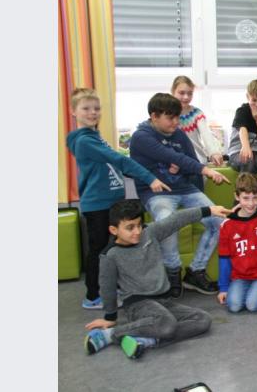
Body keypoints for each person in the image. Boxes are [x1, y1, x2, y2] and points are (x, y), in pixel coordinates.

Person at [83, 199, 231, 359]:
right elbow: (107, 286)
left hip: (163, 302)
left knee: (203, 319)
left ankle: (148, 340)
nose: (137, 231)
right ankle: (109, 335)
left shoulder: (150, 233)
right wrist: (110, 318)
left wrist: (209, 210)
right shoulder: (110, 255)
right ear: (114, 229)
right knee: (166, 324)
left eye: (139, 225)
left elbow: (176, 220)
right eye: (130, 228)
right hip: (138, 305)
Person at [66, 88, 171, 310]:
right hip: (97, 204)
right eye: (86, 108)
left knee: (112, 248)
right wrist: (150, 178)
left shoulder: (94, 137)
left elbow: (115, 163)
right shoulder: (85, 141)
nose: (92, 112)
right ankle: (93, 295)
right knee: (100, 251)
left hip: (112, 201)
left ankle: (110, 286)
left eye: (96, 108)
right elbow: (119, 161)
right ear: (73, 111)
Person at [129, 93, 231, 298]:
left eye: (177, 117)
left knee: (220, 221)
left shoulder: (178, 134)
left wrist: (182, 169)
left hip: (186, 189)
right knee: (167, 221)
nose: (176, 122)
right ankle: (173, 271)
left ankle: (195, 271)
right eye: (170, 118)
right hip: (157, 194)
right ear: (154, 116)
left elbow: (189, 161)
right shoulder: (141, 136)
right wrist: (207, 171)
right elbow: (170, 156)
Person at [216, 173, 257, 313]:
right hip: (240, 276)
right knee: (234, 306)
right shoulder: (226, 225)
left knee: (252, 305)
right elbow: (224, 259)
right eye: (245, 198)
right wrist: (224, 288)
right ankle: (249, 292)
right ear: (237, 196)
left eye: (255, 198)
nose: (251, 203)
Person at [170, 75, 224, 166]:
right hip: (175, 160)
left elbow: (206, 135)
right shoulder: (168, 113)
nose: (186, 97)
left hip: (196, 159)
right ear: (173, 92)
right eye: (181, 93)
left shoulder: (197, 114)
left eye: (190, 93)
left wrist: (214, 152)